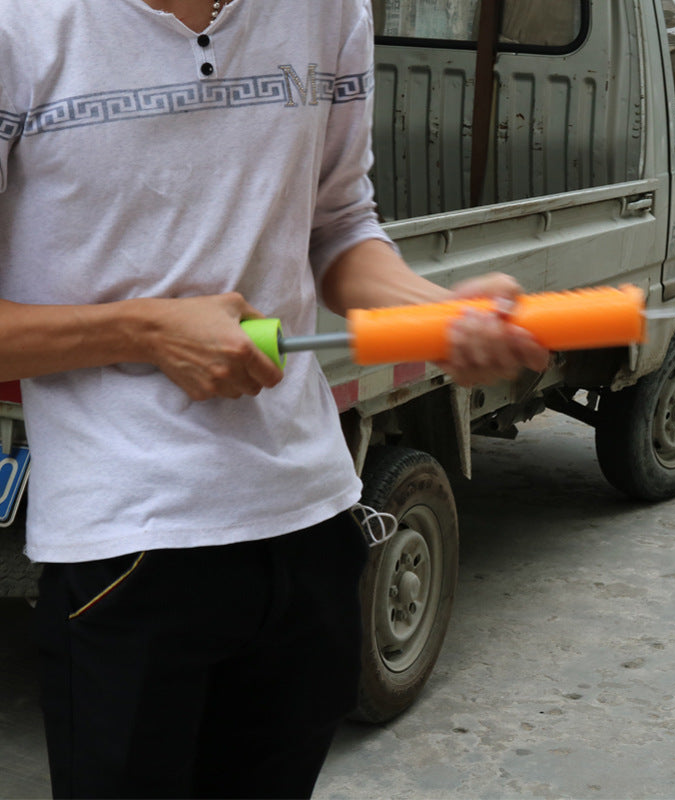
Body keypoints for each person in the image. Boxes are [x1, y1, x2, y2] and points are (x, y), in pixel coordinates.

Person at [0, 1, 548, 797]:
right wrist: (147, 331)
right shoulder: (24, 25)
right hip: (127, 543)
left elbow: (341, 227)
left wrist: (439, 317)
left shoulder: (328, 11)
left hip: (309, 522)